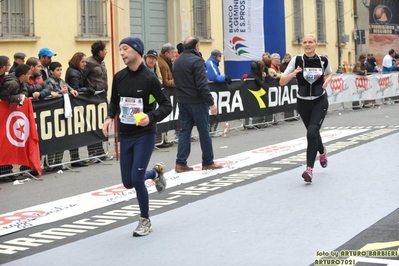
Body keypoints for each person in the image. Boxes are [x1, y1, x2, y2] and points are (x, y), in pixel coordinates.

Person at [102, 36, 172, 236]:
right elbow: (114, 102)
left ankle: (145, 220)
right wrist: (109, 118)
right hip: (126, 135)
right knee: (128, 182)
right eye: (120, 49)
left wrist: (150, 117)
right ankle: (156, 173)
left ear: (137, 51)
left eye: (125, 49)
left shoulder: (150, 78)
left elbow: (167, 105)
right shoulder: (119, 77)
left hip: (144, 135)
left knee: (137, 178)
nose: (122, 53)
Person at [279, 34, 333, 183]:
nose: (307, 45)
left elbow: (329, 73)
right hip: (303, 102)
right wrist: (293, 74)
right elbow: (281, 82)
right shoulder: (297, 60)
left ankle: (309, 170)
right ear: (302, 45)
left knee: (312, 132)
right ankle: (322, 151)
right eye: (305, 42)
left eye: (310, 42)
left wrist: (326, 81)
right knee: (312, 131)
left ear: (316, 45)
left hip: (319, 100)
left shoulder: (323, 60)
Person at [173, 36, 223, 173]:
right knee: (204, 131)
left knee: (184, 132)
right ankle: (207, 161)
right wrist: (211, 103)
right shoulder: (197, 61)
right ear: (196, 47)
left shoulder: (177, 61)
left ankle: (180, 162)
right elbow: (202, 85)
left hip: (183, 101)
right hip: (197, 101)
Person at [45, 61, 79, 171]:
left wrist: (72, 90)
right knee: (52, 140)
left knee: (61, 139)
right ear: (51, 72)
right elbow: (50, 95)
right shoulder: (48, 82)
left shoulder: (61, 80)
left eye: (61, 70)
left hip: (62, 113)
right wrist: (61, 92)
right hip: (52, 113)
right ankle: (50, 164)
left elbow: (67, 87)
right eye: (57, 70)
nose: (60, 72)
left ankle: (58, 162)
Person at [83, 41, 113, 160]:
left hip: (102, 96)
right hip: (93, 97)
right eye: (105, 49)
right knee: (93, 123)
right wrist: (89, 90)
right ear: (100, 51)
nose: (106, 51)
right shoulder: (89, 63)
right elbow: (82, 78)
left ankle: (100, 151)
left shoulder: (102, 62)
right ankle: (92, 152)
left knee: (102, 122)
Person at [65, 52, 93, 167]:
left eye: (85, 61)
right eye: (83, 62)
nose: (85, 64)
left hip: (75, 105)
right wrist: (88, 89)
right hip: (74, 105)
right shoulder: (73, 73)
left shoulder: (75, 70)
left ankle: (75, 158)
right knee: (74, 132)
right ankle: (75, 158)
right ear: (77, 61)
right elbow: (77, 89)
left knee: (75, 131)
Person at [205, 49, 232, 134]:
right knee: (212, 110)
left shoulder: (214, 63)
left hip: (214, 89)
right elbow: (214, 77)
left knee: (215, 109)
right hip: (212, 90)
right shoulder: (211, 63)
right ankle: (210, 130)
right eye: (220, 56)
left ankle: (212, 130)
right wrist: (225, 78)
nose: (220, 57)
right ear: (215, 56)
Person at [158, 43, 178, 145]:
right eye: (172, 53)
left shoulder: (166, 62)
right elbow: (165, 81)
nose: (173, 55)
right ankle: (162, 139)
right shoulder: (162, 64)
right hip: (165, 91)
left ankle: (164, 139)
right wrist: (177, 83)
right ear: (166, 53)